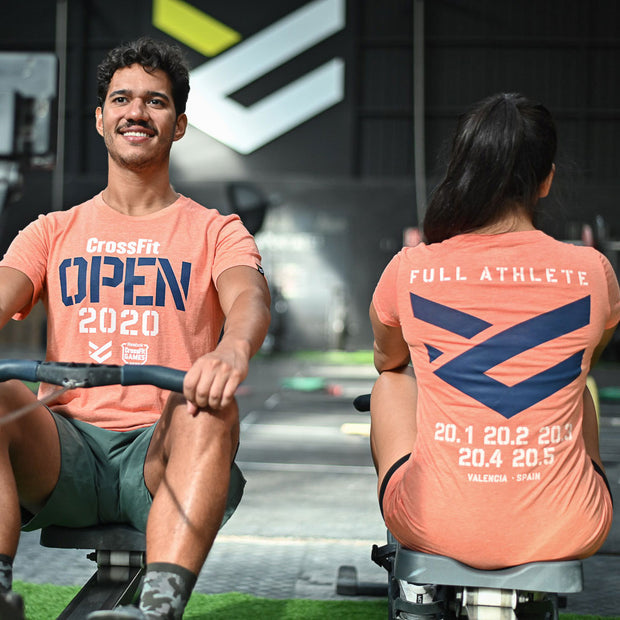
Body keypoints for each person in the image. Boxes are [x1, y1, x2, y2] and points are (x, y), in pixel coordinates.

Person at [0, 37, 271, 619]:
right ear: (100, 119)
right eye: (122, 99)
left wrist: (232, 349)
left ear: (178, 125)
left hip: (160, 456)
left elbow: (248, 297)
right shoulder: (51, 230)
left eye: (156, 101)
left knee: (207, 406)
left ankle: (157, 609)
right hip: (64, 454)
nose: (136, 112)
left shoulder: (215, 231)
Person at [369, 93, 619, 579]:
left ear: (463, 171)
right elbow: (594, 353)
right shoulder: (594, 272)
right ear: (546, 180)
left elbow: (388, 360)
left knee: (392, 381)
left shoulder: (411, 268)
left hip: (434, 525)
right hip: (572, 527)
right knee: (576, 381)